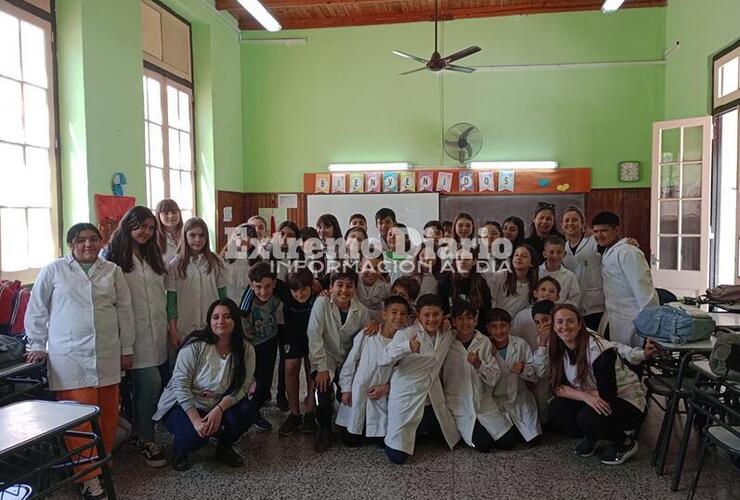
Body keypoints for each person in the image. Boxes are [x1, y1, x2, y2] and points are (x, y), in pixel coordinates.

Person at [25, 223, 134, 500]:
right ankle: (87, 478)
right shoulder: (55, 270)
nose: (88, 244)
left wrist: (127, 348)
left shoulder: (112, 271)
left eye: (93, 239)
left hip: (107, 353)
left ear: (101, 242)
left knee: (107, 415)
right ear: (70, 244)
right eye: (80, 240)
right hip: (69, 358)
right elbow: (36, 308)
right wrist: (37, 344)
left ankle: (100, 465)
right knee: (78, 421)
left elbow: (125, 312)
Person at [153, 299, 257, 471]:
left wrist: (219, 409)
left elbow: (243, 387)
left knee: (247, 411)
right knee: (195, 437)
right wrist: (196, 421)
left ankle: (224, 448)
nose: (221, 321)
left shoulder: (246, 349)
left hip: (218, 403)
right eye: (216, 317)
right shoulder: (195, 345)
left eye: (227, 316)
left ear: (236, 321)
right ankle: (179, 450)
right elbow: (180, 385)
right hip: (183, 403)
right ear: (209, 321)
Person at [104, 206, 168, 467]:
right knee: (149, 385)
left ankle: (140, 431)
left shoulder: (153, 255)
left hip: (157, 331)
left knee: (151, 386)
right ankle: (147, 440)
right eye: (141, 226)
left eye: (151, 228)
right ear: (128, 225)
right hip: (131, 335)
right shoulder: (112, 259)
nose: (146, 232)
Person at [545, 304, 646, 465]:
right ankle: (593, 436)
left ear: (579, 325)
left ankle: (625, 442)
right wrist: (584, 396)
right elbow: (556, 387)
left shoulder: (598, 350)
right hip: (591, 394)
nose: (565, 327)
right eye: (560, 322)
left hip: (626, 401)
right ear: (554, 325)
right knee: (557, 409)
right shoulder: (557, 345)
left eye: (570, 321)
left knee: (587, 418)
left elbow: (608, 395)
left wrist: (583, 396)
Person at [379, 294, 460, 464]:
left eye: (436, 314)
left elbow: (462, 332)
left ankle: (422, 429)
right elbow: (383, 359)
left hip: (431, 398)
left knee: (447, 439)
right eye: (427, 315)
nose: (432, 319)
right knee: (397, 457)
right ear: (418, 316)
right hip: (407, 396)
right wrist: (406, 347)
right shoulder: (406, 334)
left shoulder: (447, 333)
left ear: (443, 314)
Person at [307, 267, 371, 452]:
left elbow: (366, 339)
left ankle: (346, 420)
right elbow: (314, 335)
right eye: (339, 285)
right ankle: (324, 430)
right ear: (330, 287)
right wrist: (321, 368)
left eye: (349, 286)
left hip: (348, 360)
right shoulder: (322, 303)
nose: (344, 290)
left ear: (355, 289)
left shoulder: (362, 311)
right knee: (322, 390)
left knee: (348, 393)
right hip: (325, 357)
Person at [442, 300, 517, 452]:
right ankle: (468, 433)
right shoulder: (446, 341)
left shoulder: (484, 342)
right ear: (453, 321)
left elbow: (494, 377)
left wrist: (479, 365)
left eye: (469, 318)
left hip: (483, 403)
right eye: (460, 318)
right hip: (458, 403)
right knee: (484, 445)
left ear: (476, 320)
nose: (465, 322)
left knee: (508, 443)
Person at [336, 295, 410, 446]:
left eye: (403, 314)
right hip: (359, 390)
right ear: (384, 314)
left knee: (380, 437)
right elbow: (351, 361)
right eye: (394, 312)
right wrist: (346, 389)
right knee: (351, 440)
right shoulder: (368, 334)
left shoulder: (405, 343)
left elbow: (403, 372)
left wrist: (387, 387)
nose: (398, 317)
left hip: (381, 394)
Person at [592, 212, 658, 347]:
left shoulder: (629, 252)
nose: (599, 235)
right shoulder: (608, 250)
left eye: (604, 230)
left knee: (634, 361)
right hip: (614, 316)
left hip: (633, 319)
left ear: (616, 230)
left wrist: (652, 329)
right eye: (596, 231)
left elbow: (646, 293)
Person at [165, 217, 227, 350]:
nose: (197, 240)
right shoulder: (175, 265)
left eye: (201, 235)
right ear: (185, 236)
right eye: (192, 235)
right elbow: (171, 301)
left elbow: (223, 297)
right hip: (185, 328)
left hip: (211, 326)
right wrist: (173, 330)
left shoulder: (216, 262)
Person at [487, 308, 546, 445]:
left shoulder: (520, 344)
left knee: (533, 440)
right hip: (496, 401)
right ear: (488, 329)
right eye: (494, 327)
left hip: (520, 399)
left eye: (503, 326)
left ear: (510, 326)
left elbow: (536, 376)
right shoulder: (485, 346)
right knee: (506, 442)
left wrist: (524, 369)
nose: (499, 331)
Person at [274, 268, 319, 435]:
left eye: (304, 290)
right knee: (291, 367)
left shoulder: (317, 293)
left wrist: (322, 285)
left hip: (313, 336)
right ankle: (294, 414)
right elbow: (266, 278)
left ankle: (309, 412)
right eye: (295, 291)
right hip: (291, 334)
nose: (299, 294)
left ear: (311, 286)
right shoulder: (285, 291)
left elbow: (333, 278)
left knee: (311, 369)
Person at [239, 261, 280, 432]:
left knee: (267, 376)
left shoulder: (277, 296)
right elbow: (243, 330)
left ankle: (261, 399)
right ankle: (253, 413)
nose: (263, 292)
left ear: (274, 284)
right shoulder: (246, 306)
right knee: (255, 380)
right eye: (258, 287)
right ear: (251, 285)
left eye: (268, 286)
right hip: (253, 346)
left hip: (270, 340)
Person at [561, 206, 606, 332]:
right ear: (562, 225)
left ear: (582, 224)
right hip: (574, 305)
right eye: (567, 220)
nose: (570, 223)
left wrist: (628, 242)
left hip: (596, 304)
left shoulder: (594, 241)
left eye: (575, 220)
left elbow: (613, 246)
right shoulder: (564, 248)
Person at [438, 248, 492, 334]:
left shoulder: (481, 283)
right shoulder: (446, 281)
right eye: (459, 258)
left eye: (467, 259)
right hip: (451, 332)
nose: (462, 261)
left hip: (475, 332)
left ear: (474, 261)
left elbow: (486, 312)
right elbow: (441, 309)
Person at [486, 244, 539, 317]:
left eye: (524, 256)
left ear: (532, 263)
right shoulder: (502, 275)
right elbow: (491, 297)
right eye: (516, 255)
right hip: (496, 319)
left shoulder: (533, 284)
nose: (519, 258)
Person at [220, 223, 260, 303]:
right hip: (227, 304)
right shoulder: (222, 261)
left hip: (249, 305)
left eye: (251, 239)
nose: (247, 242)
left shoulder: (257, 262)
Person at [539, 235, 582, 308]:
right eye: (551, 252)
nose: (555, 256)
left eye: (559, 252)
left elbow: (575, 299)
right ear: (544, 254)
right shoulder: (536, 272)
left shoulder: (570, 276)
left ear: (564, 254)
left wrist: (559, 308)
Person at [155, 199, 183, 264]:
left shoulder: (188, 234)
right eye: (166, 213)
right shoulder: (153, 237)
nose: (171, 216)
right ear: (158, 216)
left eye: (174, 212)